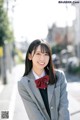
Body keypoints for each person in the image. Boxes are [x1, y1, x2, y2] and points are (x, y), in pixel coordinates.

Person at [18, 39, 70, 120]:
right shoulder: (23, 84)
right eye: (38, 54)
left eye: (46, 54)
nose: (42, 58)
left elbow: (64, 108)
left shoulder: (59, 76)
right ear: (30, 56)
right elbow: (34, 115)